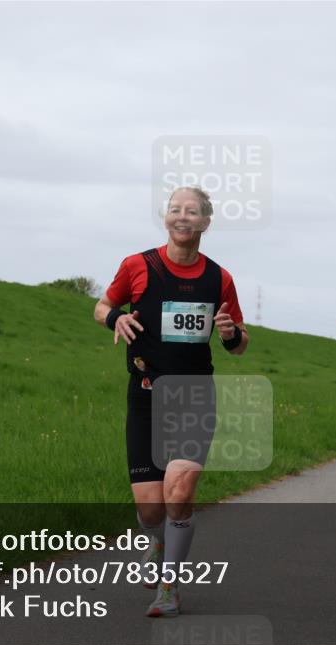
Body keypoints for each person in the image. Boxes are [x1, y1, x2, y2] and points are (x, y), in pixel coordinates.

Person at [93, 186, 248, 617]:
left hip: (194, 396)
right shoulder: (137, 266)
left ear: (205, 222)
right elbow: (102, 304)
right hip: (144, 396)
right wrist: (115, 316)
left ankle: (169, 587)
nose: (183, 217)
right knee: (149, 506)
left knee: (178, 493)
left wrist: (232, 334)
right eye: (176, 209)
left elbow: (238, 344)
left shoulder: (220, 279)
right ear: (166, 218)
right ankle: (156, 541)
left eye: (192, 211)